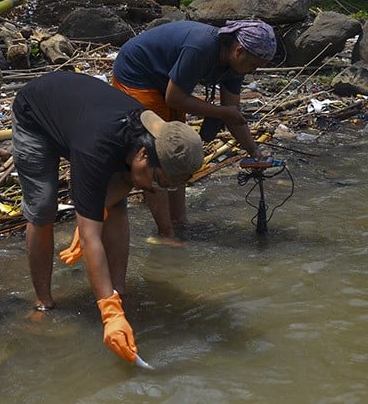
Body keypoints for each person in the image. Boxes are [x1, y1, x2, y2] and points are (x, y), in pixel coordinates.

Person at [11, 71, 204, 362]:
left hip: (80, 116)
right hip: (36, 115)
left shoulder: (152, 135)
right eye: (160, 181)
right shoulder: (96, 150)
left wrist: (99, 208)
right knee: (43, 209)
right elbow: (92, 238)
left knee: (115, 209)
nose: (156, 189)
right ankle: (43, 303)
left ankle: (119, 291)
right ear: (142, 156)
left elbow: (128, 181)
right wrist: (108, 313)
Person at [111, 19, 277, 244]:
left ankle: (180, 223)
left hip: (169, 84)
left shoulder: (235, 67)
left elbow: (233, 115)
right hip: (139, 74)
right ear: (239, 50)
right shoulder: (201, 48)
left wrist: (254, 151)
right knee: (157, 154)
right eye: (254, 65)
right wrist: (220, 112)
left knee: (178, 155)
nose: (254, 71)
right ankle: (165, 234)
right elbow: (175, 98)